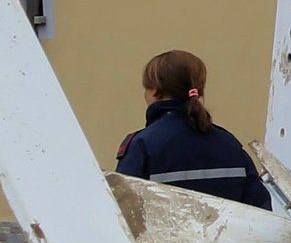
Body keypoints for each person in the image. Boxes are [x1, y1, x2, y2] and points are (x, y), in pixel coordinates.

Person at [115, 49, 269, 208]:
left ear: (154, 90)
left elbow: (121, 210)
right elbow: (260, 211)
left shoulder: (142, 145)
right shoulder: (230, 145)